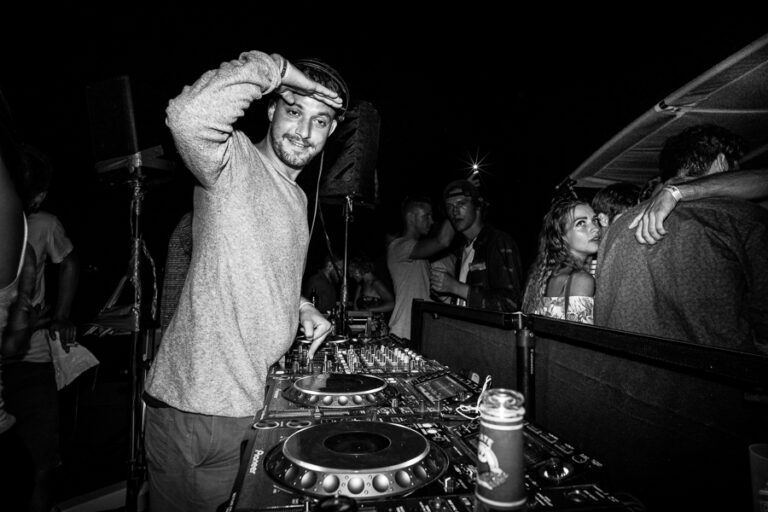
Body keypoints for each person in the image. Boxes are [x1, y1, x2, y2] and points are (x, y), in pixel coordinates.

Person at [142, 50, 342, 511]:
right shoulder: (233, 160)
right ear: (270, 108)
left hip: (249, 406)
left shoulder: (297, 199)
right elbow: (187, 115)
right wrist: (278, 70)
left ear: (331, 131)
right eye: (293, 110)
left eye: (319, 120)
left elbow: (257, 268)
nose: (303, 131)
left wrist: (300, 306)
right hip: (199, 411)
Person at [595, 124, 768, 354]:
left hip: (621, 369)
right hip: (712, 372)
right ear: (722, 162)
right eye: (737, 166)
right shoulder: (742, 218)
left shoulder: (619, 226)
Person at [1, 144, 79, 512]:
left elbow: (70, 262)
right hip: (9, 357)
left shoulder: (43, 225)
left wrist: (60, 315)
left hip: (31, 361)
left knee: (40, 462)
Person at [430, 180, 523, 312]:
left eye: (461, 204)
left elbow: (510, 303)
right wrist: (447, 296)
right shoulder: (462, 251)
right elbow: (469, 303)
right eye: (449, 206)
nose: (454, 211)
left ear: (477, 206)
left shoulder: (497, 242)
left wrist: (455, 287)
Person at [521, 196, 601, 324]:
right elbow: (579, 335)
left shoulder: (545, 276)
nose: (595, 228)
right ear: (561, 236)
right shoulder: (581, 280)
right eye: (581, 223)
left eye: (595, 220)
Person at [386, 195, 454, 340]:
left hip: (420, 330)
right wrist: (453, 208)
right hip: (405, 331)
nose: (431, 221)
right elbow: (443, 241)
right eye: (426, 216)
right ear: (411, 217)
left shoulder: (421, 256)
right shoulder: (398, 246)